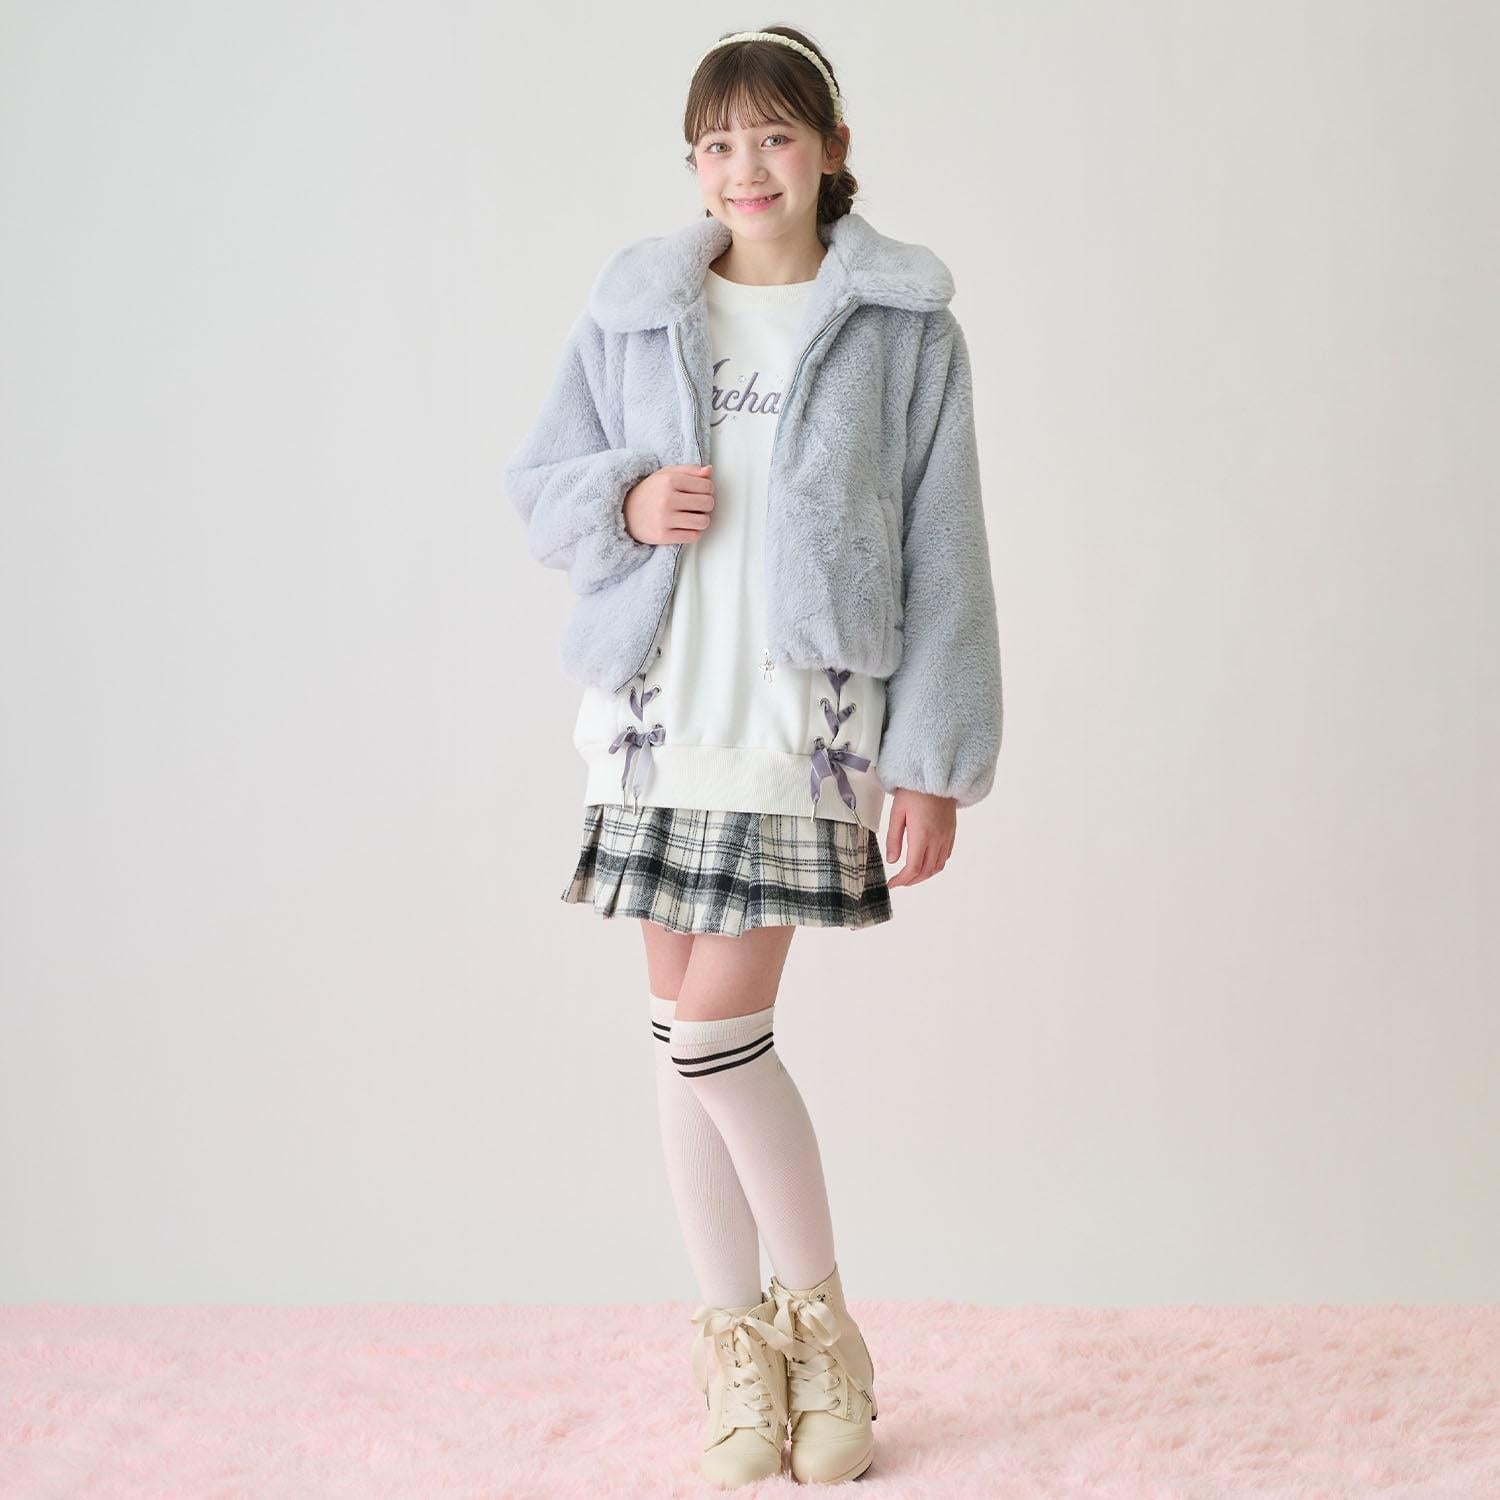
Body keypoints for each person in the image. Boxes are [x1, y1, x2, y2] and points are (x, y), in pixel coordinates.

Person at [505, 25, 1002, 1488]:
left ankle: (823, 1329)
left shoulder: (904, 329)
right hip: (655, 721)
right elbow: (540, 487)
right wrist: (624, 500)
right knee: (682, 1039)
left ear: (833, 150)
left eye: (774, 136)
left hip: (805, 732)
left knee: (715, 1037)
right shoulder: (637, 311)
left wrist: (936, 759)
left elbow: (947, 555)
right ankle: (736, 1350)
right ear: (693, 161)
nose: (745, 167)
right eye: (717, 143)